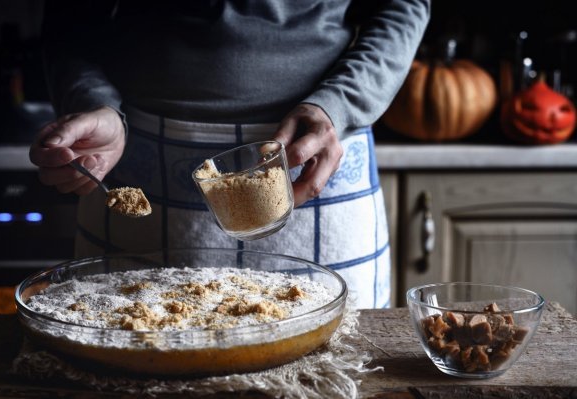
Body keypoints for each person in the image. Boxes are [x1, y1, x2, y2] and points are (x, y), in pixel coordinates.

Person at [30, 0, 430, 309]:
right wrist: (91, 101)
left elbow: (402, 4)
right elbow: (69, 20)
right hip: (139, 155)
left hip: (313, 152)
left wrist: (340, 103)